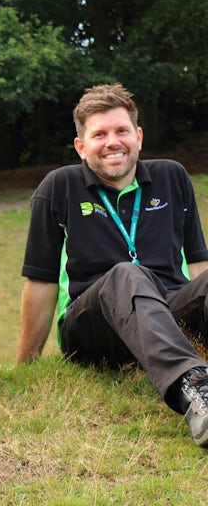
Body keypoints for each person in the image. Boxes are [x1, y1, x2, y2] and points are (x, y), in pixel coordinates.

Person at [18, 83, 208, 446]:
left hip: (164, 313)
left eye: (121, 131)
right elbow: (40, 284)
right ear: (81, 146)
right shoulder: (59, 187)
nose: (112, 142)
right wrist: (24, 368)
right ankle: (195, 390)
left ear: (138, 136)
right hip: (92, 325)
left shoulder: (172, 176)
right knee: (127, 273)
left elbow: (199, 264)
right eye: (99, 134)